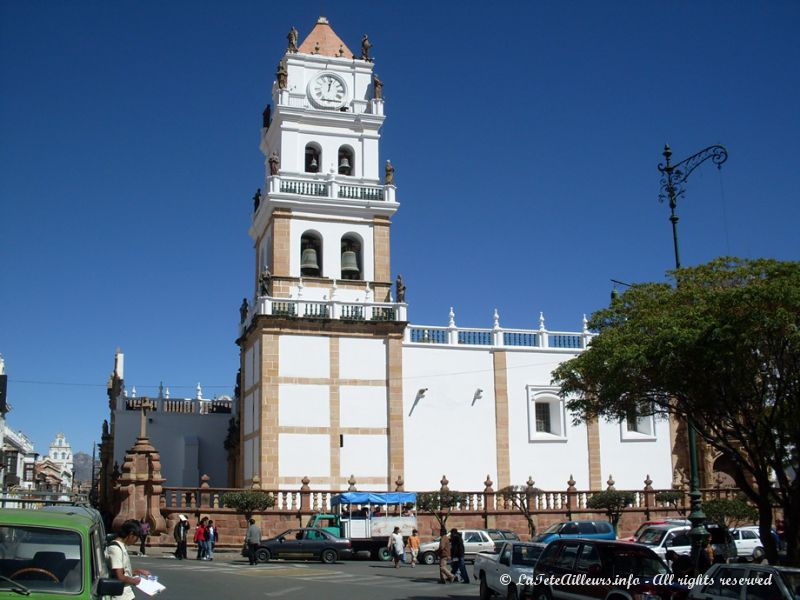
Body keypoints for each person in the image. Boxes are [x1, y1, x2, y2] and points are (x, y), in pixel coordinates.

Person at [107, 519, 151, 600]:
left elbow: (123, 570)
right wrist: (136, 581)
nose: (135, 541)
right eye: (136, 537)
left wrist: (137, 571)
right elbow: (119, 576)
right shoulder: (115, 549)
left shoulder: (122, 546)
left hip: (127, 594)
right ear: (131, 534)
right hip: (121, 596)